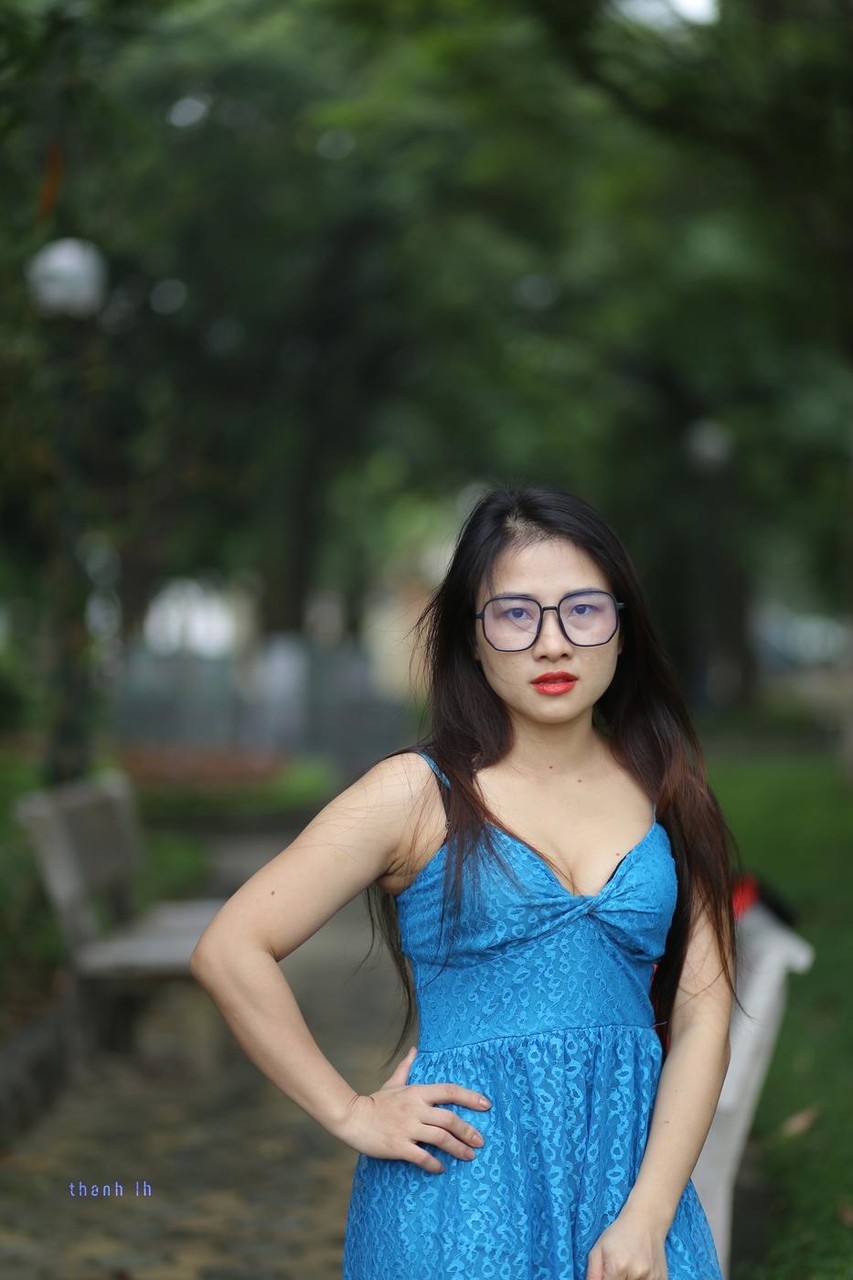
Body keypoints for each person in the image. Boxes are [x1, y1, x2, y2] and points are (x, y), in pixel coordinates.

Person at [190, 484, 738, 1280]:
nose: (552, 644)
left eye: (582, 610)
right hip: (459, 1199)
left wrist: (648, 1217)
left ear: (622, 628)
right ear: (473, 639)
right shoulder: (415, 795)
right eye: (515, 615)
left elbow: (702, 1019)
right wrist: (350, 1112)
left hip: (633, 1197)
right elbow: (230, 947)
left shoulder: (669, 791)